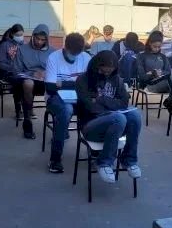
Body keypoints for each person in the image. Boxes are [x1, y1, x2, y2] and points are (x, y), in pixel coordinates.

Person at [75, 51, 142, 184]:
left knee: (134, 115)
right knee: (119, 117)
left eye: (109, 72)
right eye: (103, 71)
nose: (106, 74)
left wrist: (101, 99)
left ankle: (129, 160)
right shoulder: (83, 80)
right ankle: (104, 162)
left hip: (115, 126)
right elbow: (90, 107)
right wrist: (112, 106)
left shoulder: (116, 79)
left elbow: (123, 103)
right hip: (91, 126)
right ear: (96, 67)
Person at [44, 33, 92, 173]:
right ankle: (55, 159)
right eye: (73, 52)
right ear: (65, 47)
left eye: (79, 52)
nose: (75, 55)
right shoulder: (54, 58)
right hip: (55, 98)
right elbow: (50, 88)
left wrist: (63, 83)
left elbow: (89, 86)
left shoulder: (86, 58)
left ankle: (95, 153)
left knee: (93, 108)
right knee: (66, 110)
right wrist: (77, 84)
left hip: (79, 97)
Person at [12, 24, 55, 140]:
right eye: (37, 38)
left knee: (60, 86)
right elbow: (16, 71)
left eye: (43, 40)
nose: (39, 42)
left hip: (47, 82)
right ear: (33, 36)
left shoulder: (52, 52)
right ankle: (27, 121)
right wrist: (32, 74)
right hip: (28, 82)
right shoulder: (22, 49)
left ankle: (59, 125)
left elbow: (58, 71)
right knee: (28, 83)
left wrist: (47, 73)